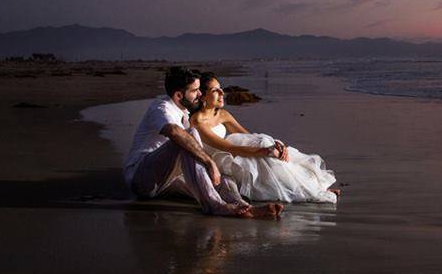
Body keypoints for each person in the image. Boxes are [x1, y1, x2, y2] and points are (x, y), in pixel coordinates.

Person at [123, 66, 283, 219]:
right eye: (194, 91)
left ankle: (242, 206)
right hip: (142, 178)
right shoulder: (162, 108)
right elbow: (174, 132)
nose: (200, 94)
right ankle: (214, 205)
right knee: (189, 136)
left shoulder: (185, 113)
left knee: (225, 179)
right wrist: (209, 162)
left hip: (168, 181)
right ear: (179, 96)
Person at [190, 72, 340, 204]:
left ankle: (310, 187)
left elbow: (248, 136)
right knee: (262, 149)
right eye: (215, 90)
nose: (222, 93)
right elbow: (229, 147)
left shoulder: (222, 114)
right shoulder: (197, 121)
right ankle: (309, 191)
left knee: (263, 142)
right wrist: (265, 151)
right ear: (202, 96)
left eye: (221, 88)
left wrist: (274, 145)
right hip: (220, 159)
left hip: (234, 150)